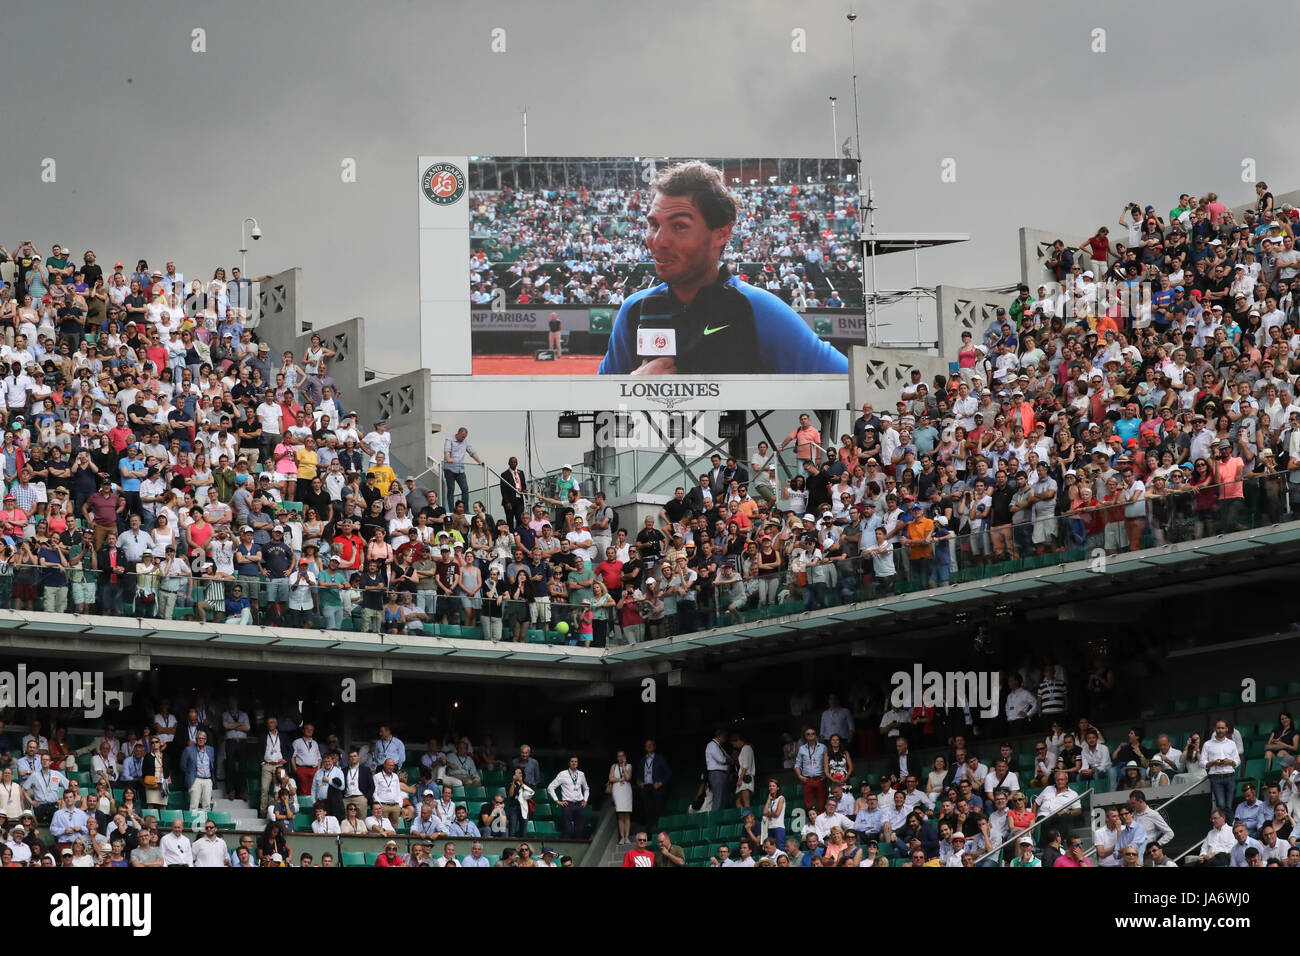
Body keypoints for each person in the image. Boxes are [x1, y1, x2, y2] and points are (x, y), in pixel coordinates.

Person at [598, 161, 848, 376]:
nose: (658, 240)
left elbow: (852, 386)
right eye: (653, 225)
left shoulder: (756, 309)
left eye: (679, 226)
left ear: (722, 232)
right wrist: (631, 389)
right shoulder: (634, 311)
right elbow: (595, 415)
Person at [546, 755, 589, 839]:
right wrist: (557, 800)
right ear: (569, 763)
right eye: (572, 761)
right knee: (568, 830)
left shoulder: (581, 774)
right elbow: (550, 787)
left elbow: (586, 788)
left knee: (579, 830)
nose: (574, 763)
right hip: (567, 805)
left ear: (577, 763)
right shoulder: (563, 774)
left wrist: (585, 800)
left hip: (579, 805)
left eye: (575, 761)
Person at [609, 750, 634, 844]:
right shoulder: (613, 766)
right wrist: (620, 779)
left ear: (625, 757)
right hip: (617, 791)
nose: (620, 758)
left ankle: (626, 837)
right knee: (620, 815)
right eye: (619, 756)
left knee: (627, 814)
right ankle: (622, 837)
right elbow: (611, 778)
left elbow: (628, 778)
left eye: (622, 756)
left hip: (626, 791)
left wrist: (623, 766)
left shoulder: (629, 766)